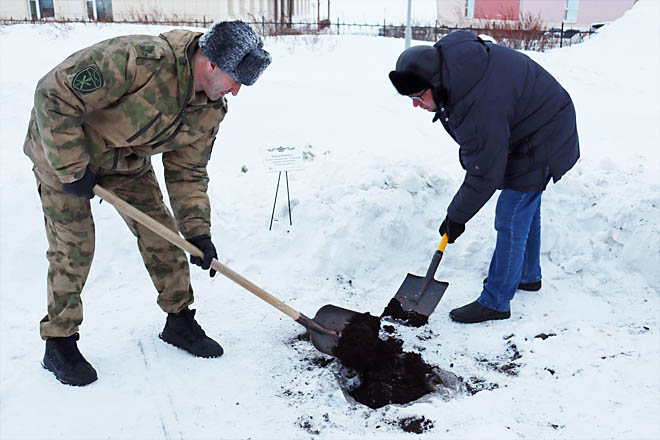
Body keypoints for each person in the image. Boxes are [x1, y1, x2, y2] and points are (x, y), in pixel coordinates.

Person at [23, 20, 271, 386]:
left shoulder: (209, 109)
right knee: (73, 248)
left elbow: (187, 172)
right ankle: (59, 341)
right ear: (212, 63)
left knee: (166, 238)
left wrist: (198, 232)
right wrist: (71, 168)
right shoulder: (139, 60)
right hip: (61, 154)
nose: (235, 92)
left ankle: (179, 321)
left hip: (125, 162)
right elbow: (52, 94)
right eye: (235, 80)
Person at [389, 31, 579, 324]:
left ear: (435, 84)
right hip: (534, 122)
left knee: (511, 211)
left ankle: (496, 301)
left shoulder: (477, 104)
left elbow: (484, 173)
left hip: (544, 133)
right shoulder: (455, 71)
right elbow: (480, 150)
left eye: (418, 96)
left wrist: (456, 216)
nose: (415, 104)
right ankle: (528, 275)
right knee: (525, 203)